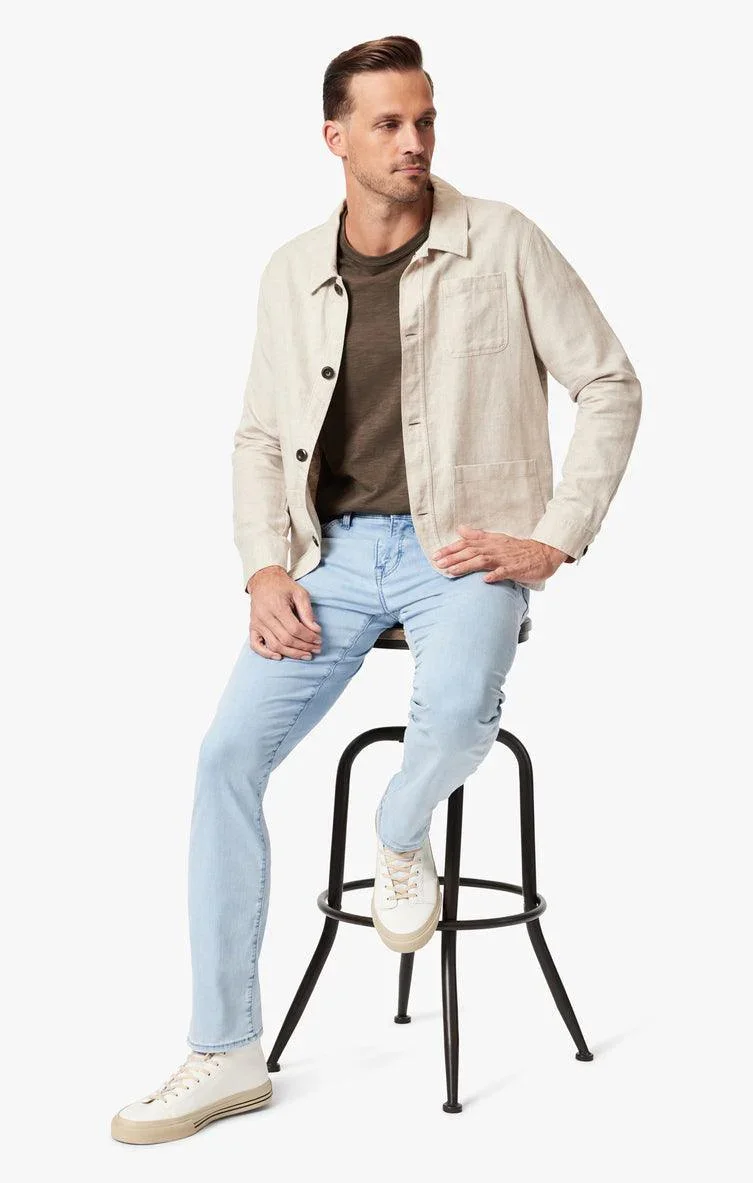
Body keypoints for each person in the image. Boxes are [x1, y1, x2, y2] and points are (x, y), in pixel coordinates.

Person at [111, 34, 642, 1145]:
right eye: (390, 123)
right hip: (335, 557)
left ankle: (400, 833)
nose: (414, 142)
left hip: (464, 550)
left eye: (426, 119)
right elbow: (259, 435)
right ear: (335, 137)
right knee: (223, 758)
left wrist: (552, 539)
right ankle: (224, 1049)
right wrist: (264, 565)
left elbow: (608, 381)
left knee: (454, 711)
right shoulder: (290, 269)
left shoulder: (501, 239)